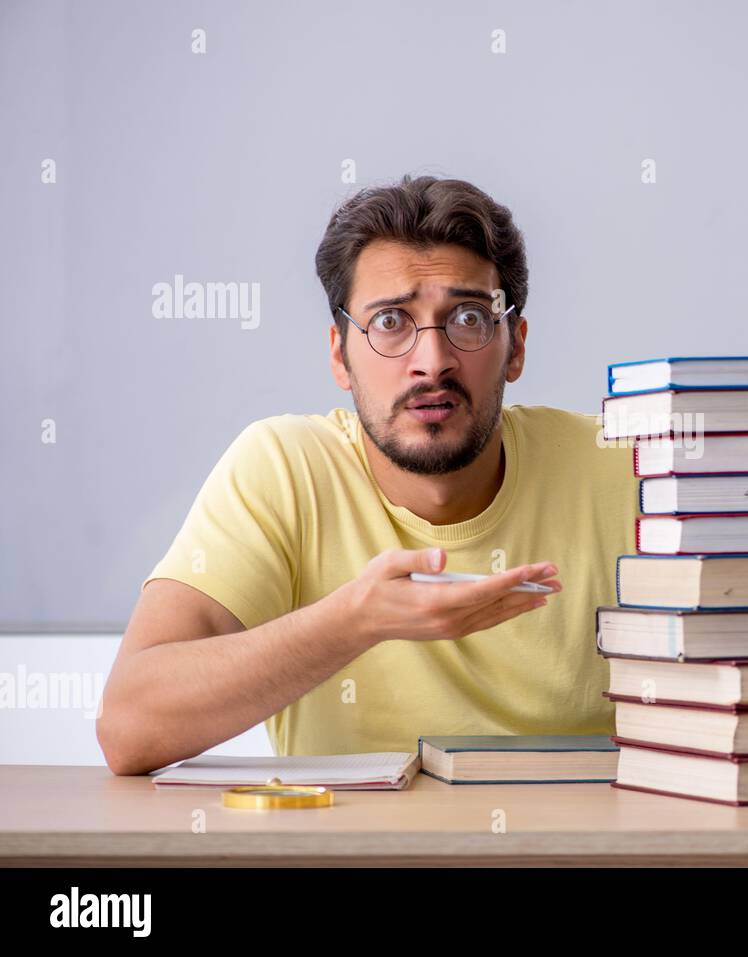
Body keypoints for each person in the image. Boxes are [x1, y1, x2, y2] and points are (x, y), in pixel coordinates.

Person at [97, 176, 637, 774]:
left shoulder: (627, 468)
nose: (431, 361)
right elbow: (129, 727)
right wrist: (358, 619)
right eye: (389, 323)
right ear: (339, 354)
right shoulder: (284, 469)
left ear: (514, 346)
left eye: (467, 318)